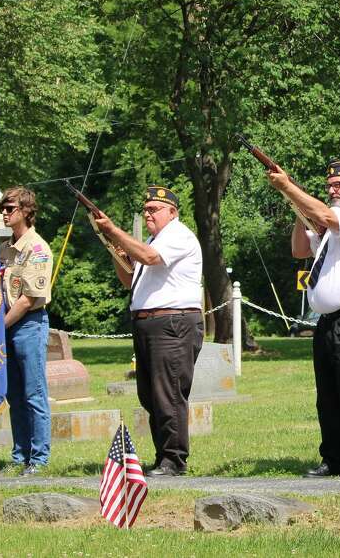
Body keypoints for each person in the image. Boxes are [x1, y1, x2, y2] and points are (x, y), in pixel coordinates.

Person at [268, 160, 340, 478]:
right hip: (329, 319)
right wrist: (295, 205)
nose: (333, 190)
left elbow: (326, 216)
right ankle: (334, 457)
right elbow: (298, 249)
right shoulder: (330, 230)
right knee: (329, 394)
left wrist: (289, 188)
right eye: (330, 185)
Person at [95, 185, 204, 477]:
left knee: (167, 393)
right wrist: (114, 248)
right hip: (150, 323)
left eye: (154, 209)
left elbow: (150, 258)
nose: (148, 214)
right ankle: (163, 456)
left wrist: (115, 230)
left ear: (172, 212)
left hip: (172, 323)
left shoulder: (177, 236)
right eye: (146, 210)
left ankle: (173, 459)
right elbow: (129, 279)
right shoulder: (154, 240)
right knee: (151, 395)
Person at [0, 186, 54, 476]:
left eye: (10, 209)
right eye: (3, 209)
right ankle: (20, 455)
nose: (5, 214)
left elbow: (28, 299)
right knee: (14, 395)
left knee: (34, 394)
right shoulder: (5, 250)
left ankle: (39, 458)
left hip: (29, 324)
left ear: (26, 211)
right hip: (7, 325)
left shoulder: (38, 249)